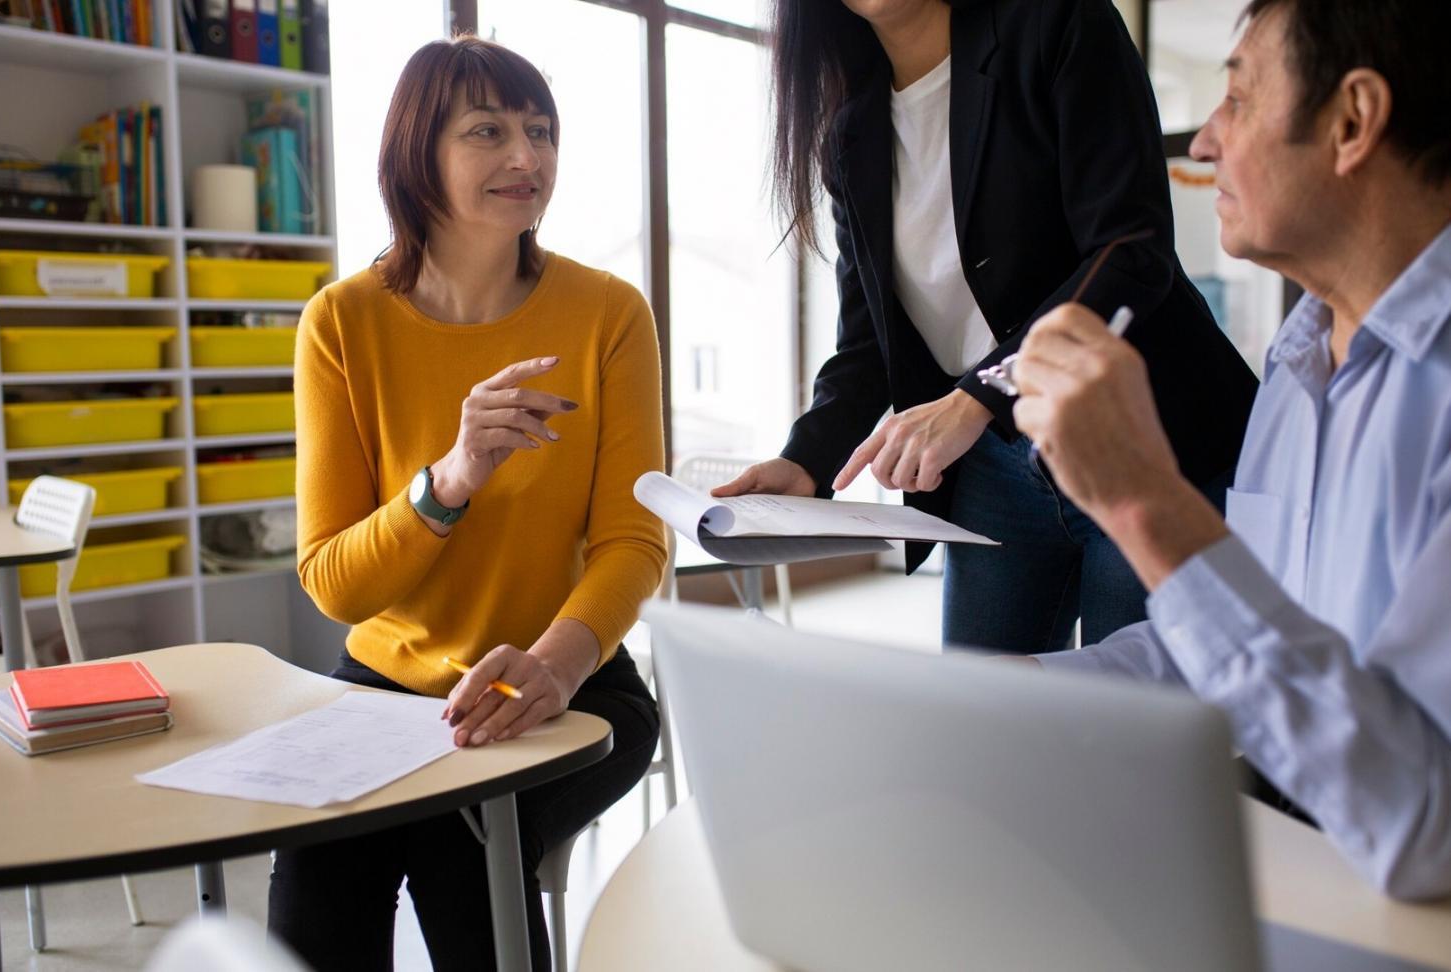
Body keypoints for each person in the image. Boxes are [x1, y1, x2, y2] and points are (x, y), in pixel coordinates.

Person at [1012, 0, 1451, 898]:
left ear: (1352, 121)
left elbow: (1423, 824)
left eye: (1239, 99)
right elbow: (1212, 650)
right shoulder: (1295, 371)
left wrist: (1143, 499)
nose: (1203, 144)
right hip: (1285, 864)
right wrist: (1006, 698)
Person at [271, 37, 666, 968]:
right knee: (318, 868)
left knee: (463, 838)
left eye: (541, 132)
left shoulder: (609, 313)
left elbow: (632, 541)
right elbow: (333, 584)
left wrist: (554, 667)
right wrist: (448, 481)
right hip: (387, 689)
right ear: (417, 152)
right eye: (488, 131)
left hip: (574, 677)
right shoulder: (342, 322)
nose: (527, 157)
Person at [716, 0, 1258, 654]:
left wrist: (977, 395)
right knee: (986, 726)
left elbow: (1130, 247)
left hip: (1146, 438)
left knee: (1129, 734)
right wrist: (803, 462)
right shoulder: (849, 135)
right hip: (996, 472)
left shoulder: (1059, 24)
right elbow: (868, 344)